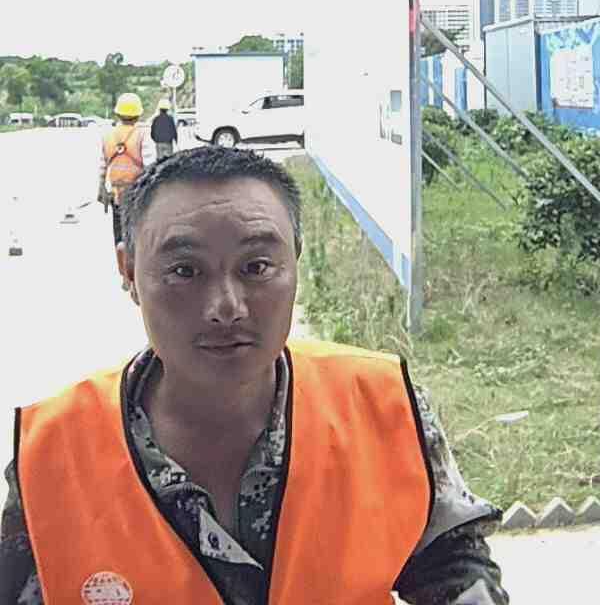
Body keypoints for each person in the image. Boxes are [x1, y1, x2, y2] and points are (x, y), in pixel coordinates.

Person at [0, 147, 509, 604]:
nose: (226, 307)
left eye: (257, 267)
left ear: (296, 263)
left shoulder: (380, 405)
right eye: (185, 271)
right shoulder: (53, 450)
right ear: (128, 272)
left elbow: (453, 562)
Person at [97, 92, 153, 250]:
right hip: (137, 193)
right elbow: (150, 165)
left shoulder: (108, 135)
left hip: (116, 194)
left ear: (118, 114)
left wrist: (101, 187)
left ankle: (122, 261)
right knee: (136, 235)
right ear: (138, 114)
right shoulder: (142, 135)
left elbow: (102, 165)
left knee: (119, 235)